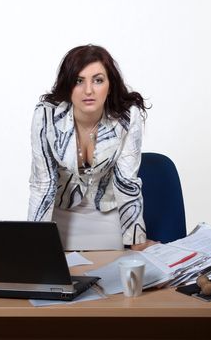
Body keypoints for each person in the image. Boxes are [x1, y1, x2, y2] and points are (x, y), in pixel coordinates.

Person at [28, 44, 155, 251]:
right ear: (67, 85)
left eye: (98, 80)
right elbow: (43, 185)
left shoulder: (126, 117)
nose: (88, 90)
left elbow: (127, 183)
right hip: (60, 220)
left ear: (110, 84)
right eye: (79, 81)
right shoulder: (46, 117)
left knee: (111, 276)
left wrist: (137, 243)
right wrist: (35, 245)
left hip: (107, 220)